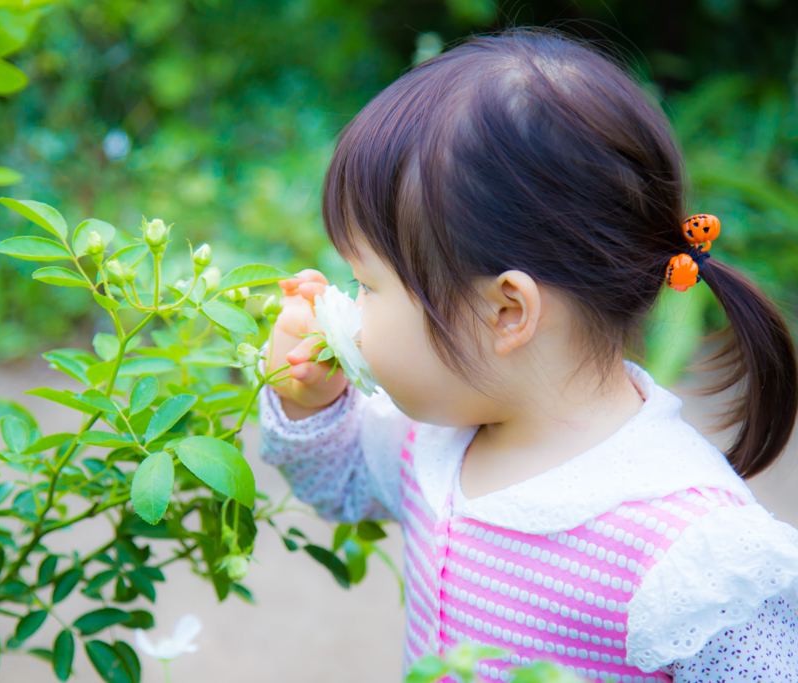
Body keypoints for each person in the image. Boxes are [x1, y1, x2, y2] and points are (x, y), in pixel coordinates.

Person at [259, 29, 798, 682]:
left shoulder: (689, 553)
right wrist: (310, 398)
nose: (351, 305)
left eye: (368, 285)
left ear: (506, 311)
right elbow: (339, 477)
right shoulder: (435, 439)